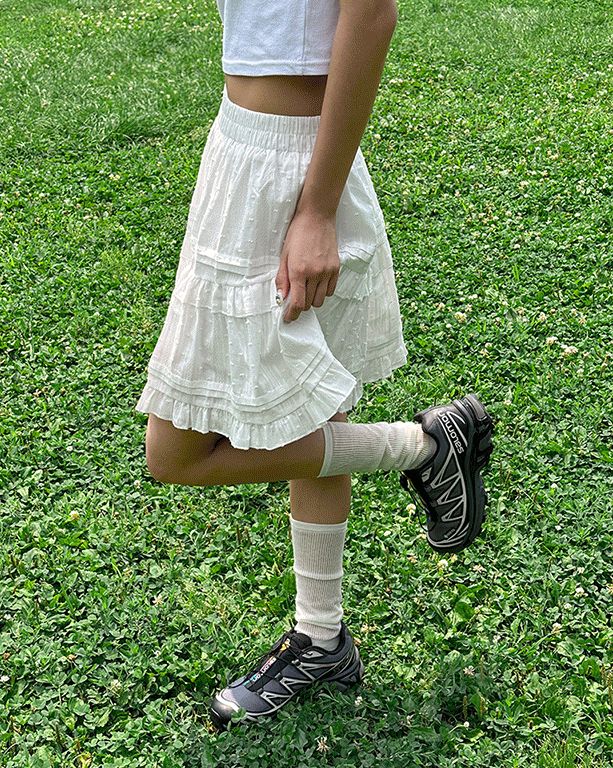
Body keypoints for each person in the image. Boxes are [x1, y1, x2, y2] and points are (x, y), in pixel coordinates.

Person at [136, 0, 494, 730]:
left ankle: (422, 450)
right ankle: (324, 636)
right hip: (238, 150)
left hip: (298, 171)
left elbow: (372, 13)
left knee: (174, 453)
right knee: (315, 419)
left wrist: (317, 210)